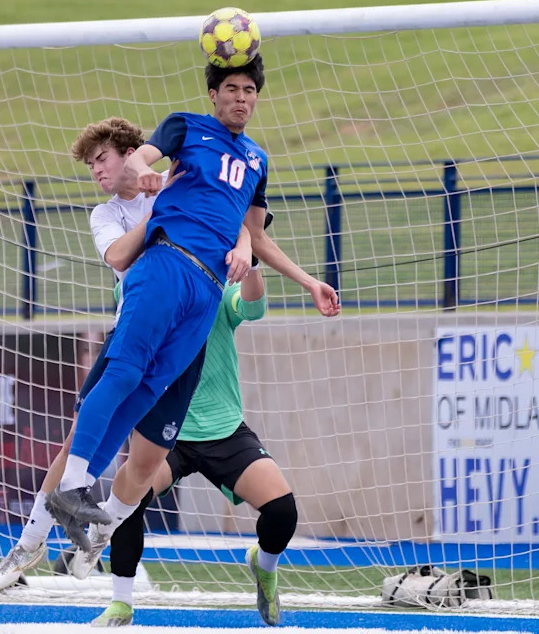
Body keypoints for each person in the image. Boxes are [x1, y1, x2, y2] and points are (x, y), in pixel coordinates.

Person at [46, 54, 339, 571]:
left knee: (147, 395)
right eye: (232, 88)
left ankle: (83, 509)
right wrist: (147, 175)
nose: (241, 98)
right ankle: (69, 498)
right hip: (165, 269)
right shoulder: (185, 130)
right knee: (124, 378)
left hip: (206, 297)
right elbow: (140, 163)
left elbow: (254, 236)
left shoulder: (256, 160)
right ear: (214, 94)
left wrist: (308, 280)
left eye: (249, 90)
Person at [0, 116, 244, 588]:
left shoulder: (178, 180)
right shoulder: (105, 214)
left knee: (147, 460)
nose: (97, 171)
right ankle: (29, 542)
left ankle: (99, 534)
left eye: (102, 159)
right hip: (136, 325)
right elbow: (120, 256)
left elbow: (240, 217)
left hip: (189, 333)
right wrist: (161, 212)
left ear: (132, 154)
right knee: (78, 440)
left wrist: (243, 243)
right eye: (90, 165)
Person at [84, 214, 296, 628]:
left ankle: (264, 565)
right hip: (164, 429)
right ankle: (121, 603)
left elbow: (253, 306)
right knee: (129, 500)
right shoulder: (144, 284)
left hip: (222, 428)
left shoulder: (218, 286)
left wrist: (251, 254)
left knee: (283, 512)